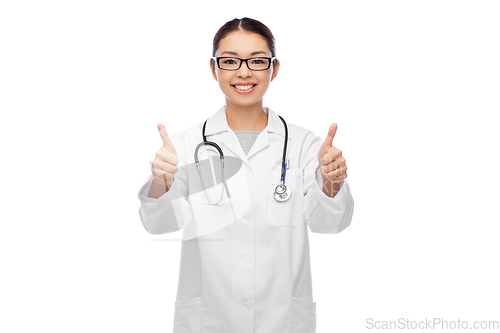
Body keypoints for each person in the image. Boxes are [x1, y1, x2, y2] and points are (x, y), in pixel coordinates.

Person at [137, 17, 354, 333]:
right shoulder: (185, 145)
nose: (243, 71)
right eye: (230, 61)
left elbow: (330, 224)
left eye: (256, 60)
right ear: (214, 69)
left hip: (282, 320)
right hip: (208, 321)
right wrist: (161, 180)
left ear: (274, 68)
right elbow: (158, 224)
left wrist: (332, 180)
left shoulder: (305, 145)